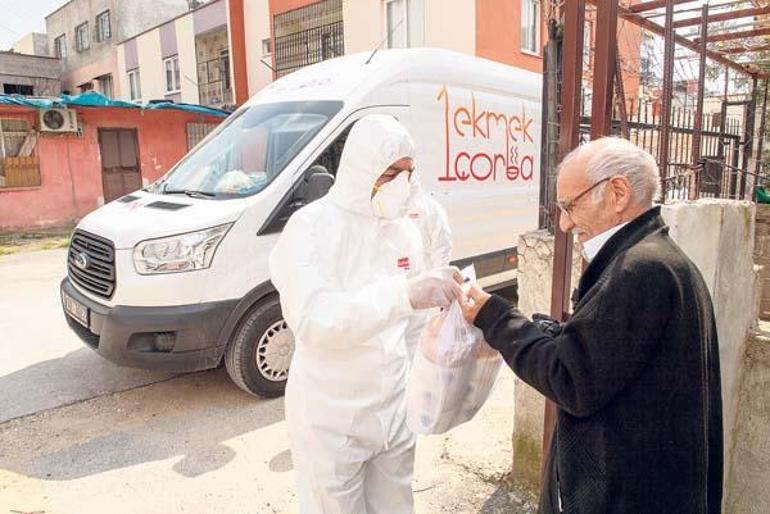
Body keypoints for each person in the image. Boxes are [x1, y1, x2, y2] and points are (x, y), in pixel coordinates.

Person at [460, 137, 723, 514]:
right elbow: (604, 352)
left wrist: (495, 316)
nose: (565, 224)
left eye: (570, 205)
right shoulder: (656, 258)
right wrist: (549, 332)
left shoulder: (640, 270)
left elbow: (571, 377)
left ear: (617, 193)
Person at [269, 114, 462, 514]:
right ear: (362, 168)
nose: (402, 184)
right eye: (392, 172)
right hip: (331, 419)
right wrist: (404, 294)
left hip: (393, 412)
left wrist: (424, 384)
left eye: (409, 173)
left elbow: (412, 329)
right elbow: (314, 319)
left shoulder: (403, 232)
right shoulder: (312, 228)